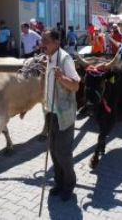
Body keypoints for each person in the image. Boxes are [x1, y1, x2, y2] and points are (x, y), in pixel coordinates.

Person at [40, 29, 80, 202]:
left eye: (46, 41)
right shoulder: (48, 59)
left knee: (63, 152)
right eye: (42, 40)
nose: (43, 44)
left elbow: (76, 86)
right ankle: (58, 182)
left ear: (57, 42)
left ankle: (69, 184)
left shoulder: (65, 59)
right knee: (54, 151)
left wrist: (61, 77)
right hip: (50, 112)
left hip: (63, 115)